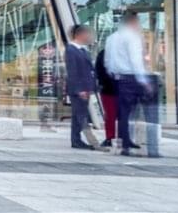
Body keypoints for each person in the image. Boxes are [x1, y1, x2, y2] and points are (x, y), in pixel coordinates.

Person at [102, 11, 151, 155]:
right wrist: (144, 80)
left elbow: (107, 60)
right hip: (131, 78)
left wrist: (112, 73)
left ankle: (124, 141)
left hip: (117, 78)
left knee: (123, 112)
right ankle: (127, 140)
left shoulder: (111, 38)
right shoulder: (132, 37)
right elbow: (136, 60)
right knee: (132, 112)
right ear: (133, 22)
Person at [64, 24, 96, 149]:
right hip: (78, 89)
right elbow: (73, 71)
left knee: (80, 114)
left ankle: (77, 139)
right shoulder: (71, 50)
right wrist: (79, 89)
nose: (88, 36)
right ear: (79, 35)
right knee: (80, 115)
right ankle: (78, 140)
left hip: (85, 88)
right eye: (86, 34)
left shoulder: (82, 50)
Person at [95, 46, 118, 148]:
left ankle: (111, 137)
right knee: (110, 115)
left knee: (111, 115)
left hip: (111, 88)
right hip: (109, 89)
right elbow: (99, 71)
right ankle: (111, 137)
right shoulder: (104, 54)